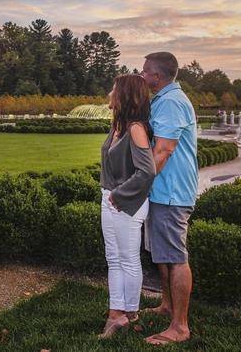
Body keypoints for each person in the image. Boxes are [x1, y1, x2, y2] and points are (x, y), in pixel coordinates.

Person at [140, 51, 198, 346]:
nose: (142, 75)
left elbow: (163, 150)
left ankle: (180, 326)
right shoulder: (165, 100)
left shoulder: (172, 103)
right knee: (162, 254)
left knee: (175, 258)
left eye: (145, 71)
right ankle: (166, 305)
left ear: (158, 76)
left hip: (172, 192)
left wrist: (136, 185)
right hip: (163, 191)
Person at [98, 74, 156, 338]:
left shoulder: (135, 128)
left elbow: (147, 171)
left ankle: (130, 314)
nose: (110, 92)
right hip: (110, 199)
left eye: (114, 89)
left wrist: (119, 196)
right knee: (114, 259)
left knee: (129, 260)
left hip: (126, 204)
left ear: (125, 94)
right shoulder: (118, 125)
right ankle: (115, 313)